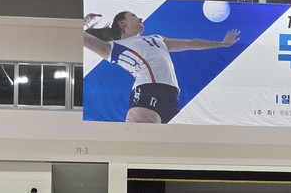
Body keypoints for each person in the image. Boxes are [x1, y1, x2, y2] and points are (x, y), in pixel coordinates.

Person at [84, 10, 239, 123]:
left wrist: (221, 44)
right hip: (147, 88)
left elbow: (192, 43)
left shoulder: (157, 38)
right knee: (140, 141)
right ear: (121, 23)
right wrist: (80, 23)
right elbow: (83, 38)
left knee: (166, 147)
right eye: (133, 15)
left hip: (172, 95)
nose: (140, 18)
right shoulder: (114, 47)